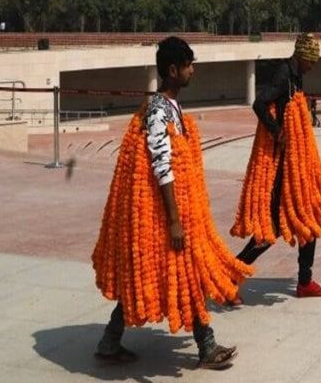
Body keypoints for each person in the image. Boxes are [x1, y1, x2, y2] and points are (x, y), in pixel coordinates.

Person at [92, 36, 248, 370]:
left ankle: (109, 342)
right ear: (173, 70)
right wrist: (175, 219)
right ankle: (205, 346)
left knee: (176, 275)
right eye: (189, 65)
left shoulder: (172, 109)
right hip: (165, 217)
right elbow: (161, 165)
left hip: (178, 213)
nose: (193, 71)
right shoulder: (157, 112)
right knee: (185, 273)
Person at [230, 33, 321, 302]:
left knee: (308, 217)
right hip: (281, 168)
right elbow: (259, 104)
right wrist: (278, 132)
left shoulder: (296, 75)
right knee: (270, 231)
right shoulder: (283, 74)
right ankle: (229, 275)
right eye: (311, 61)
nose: (312, 66)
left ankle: (305, 282)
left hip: (295, 165)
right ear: (302, 56)